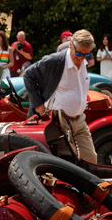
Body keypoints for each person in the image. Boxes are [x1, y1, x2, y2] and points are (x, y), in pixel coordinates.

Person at [22, 29, 100, 164]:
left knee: (91, 160)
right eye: (78, 54)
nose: (81, 58)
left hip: (79, 120)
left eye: (86, 55)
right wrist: (38, 104)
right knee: (62, 164)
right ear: (70, 45)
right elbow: (28, 75)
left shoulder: (83, 62)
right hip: (58, 122)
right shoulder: (54, 61)